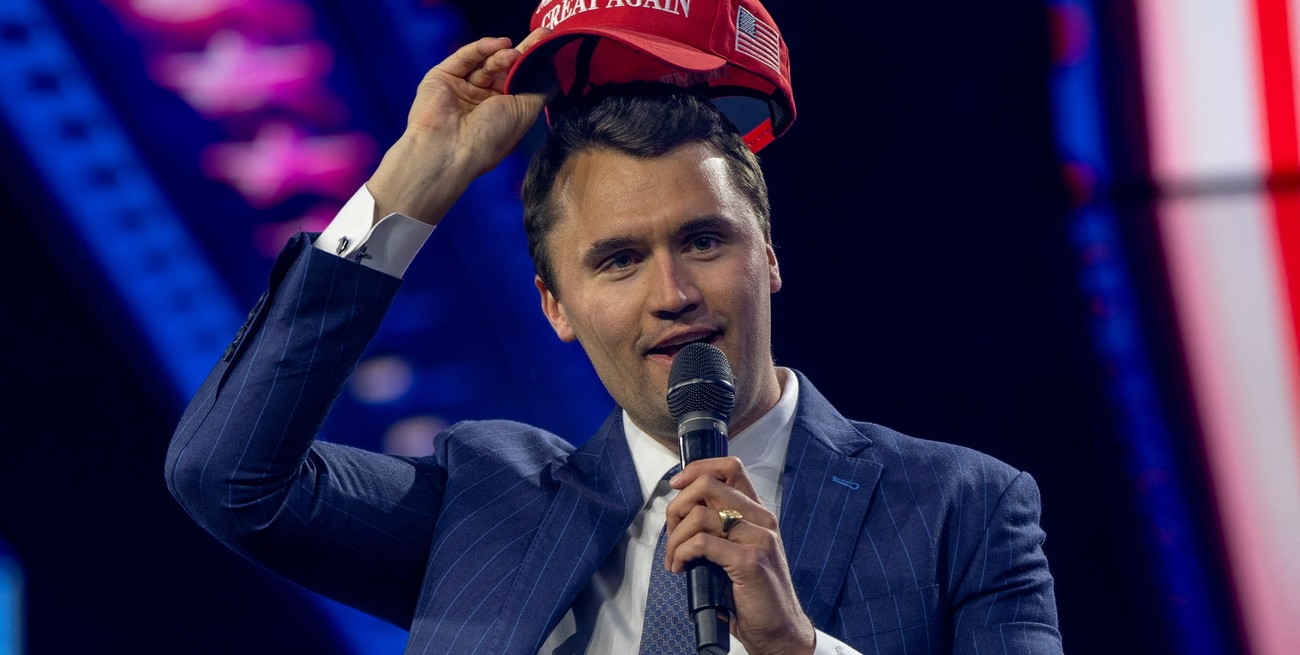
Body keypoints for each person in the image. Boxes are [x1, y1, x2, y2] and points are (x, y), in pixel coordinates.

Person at [166, 29, 1063, 655]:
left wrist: (795, 647)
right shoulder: (484, 503)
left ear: (769, 256)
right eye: (620, 260)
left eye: (704, 241)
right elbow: (226, 478)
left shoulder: (963, 507)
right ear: (556, 306)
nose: (673, 294)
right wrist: (417, 178)